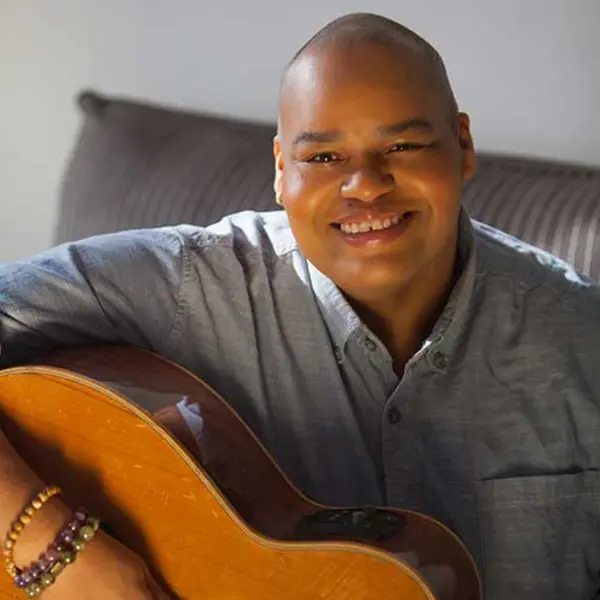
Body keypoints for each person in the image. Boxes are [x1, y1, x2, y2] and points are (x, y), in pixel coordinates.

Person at [1, 11, 599, 600]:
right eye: (322, 157)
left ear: (462, 145)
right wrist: (53, 549)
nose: (365, 184)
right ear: (282, 171)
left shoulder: (581, 339)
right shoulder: (187, 284)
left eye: (404, 144)